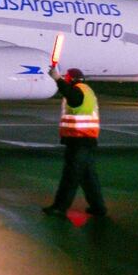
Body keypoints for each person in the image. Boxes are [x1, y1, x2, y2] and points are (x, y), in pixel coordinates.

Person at [43, 67, 107, 218]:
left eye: (66, 78)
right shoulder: (86, 90)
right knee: (88, 178)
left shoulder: (79, 91)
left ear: (71, 79)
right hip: (86, 140)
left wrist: (57, 79)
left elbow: (72, 97)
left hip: (79, 141)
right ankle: (98, 208)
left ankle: (60, 207)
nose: (65, 80)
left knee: (70, 177)